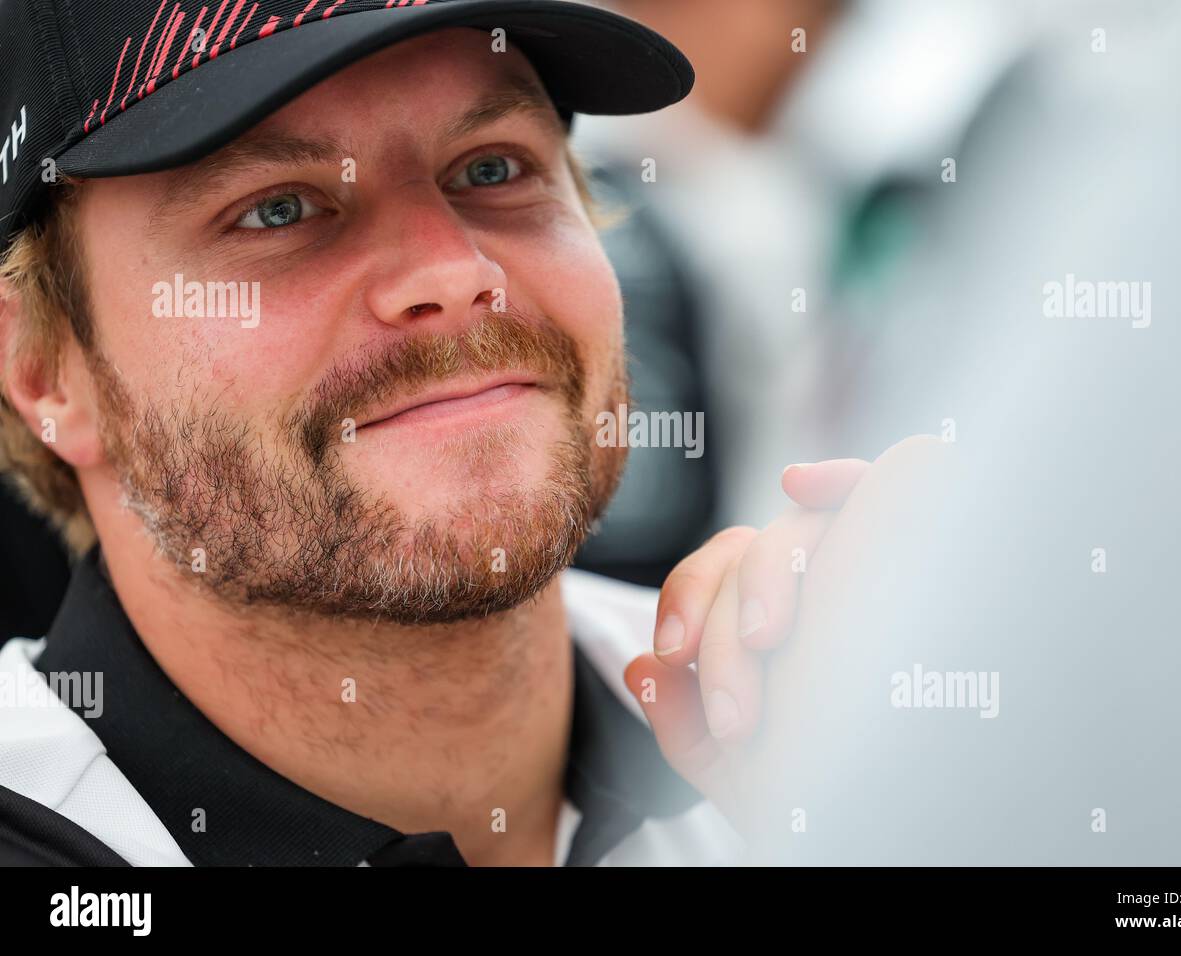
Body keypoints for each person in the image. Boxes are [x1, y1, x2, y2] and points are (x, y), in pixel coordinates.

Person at [0, 0, 852, 868]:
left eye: (491, 168)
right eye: (279, 210)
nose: (452, 273)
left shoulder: (812, 720)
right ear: (41, 367)